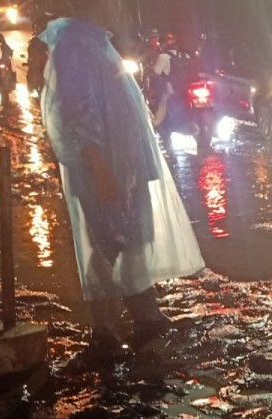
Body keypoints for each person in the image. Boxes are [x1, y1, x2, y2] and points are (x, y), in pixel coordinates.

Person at [40, 0, 205, 350]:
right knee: (106, 242)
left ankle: (143, 314)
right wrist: (98, 165)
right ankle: (104, 332)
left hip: (123, 166)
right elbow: (72, 110)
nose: (119, 6)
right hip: (105, 168)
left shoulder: (96, 41)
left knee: (130, 237)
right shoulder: (74, 43)